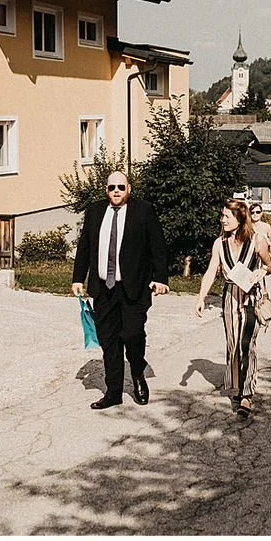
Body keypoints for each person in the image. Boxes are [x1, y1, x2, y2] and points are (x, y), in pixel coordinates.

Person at [72, 171, 170, 410]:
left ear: (129, 189)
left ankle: (137, 372)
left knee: (132, 334)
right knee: (109, 340)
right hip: (104, 289)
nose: (116, 191)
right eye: (111, 187)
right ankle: (113, 391)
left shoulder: (143, 210)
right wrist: (78, 278)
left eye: (121, 187)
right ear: (106, 190)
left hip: (134, 287)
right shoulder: (95, 211)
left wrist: (160, 278)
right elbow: (85, 246)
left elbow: (157, 246)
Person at [195, 199, 271, 417]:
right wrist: (201, 297)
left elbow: (270, 265)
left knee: (247, 344)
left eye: (227, 217)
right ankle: (236, 387)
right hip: (230, 298)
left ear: (239, 219)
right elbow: (212, 271)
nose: (222, 220)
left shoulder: (258, 240)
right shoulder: (219, 243)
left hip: (251, 298)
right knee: (233, 344)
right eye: (222, 216)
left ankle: (247, 394)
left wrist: (262, 272)